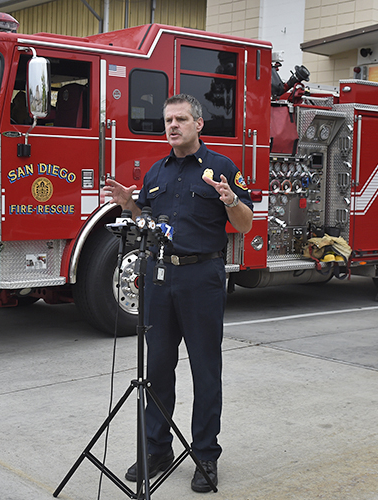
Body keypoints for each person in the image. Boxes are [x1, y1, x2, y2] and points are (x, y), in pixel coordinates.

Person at [104, 94, 253, 493]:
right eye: (168, 119)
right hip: (159, 279)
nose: (173, 125)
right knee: (157, 371)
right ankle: (157, 449)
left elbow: (245, 224)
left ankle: (205, 454)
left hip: (200, 278)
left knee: (205, 371)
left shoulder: (221, 169)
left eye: (181, 119)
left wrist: (231, 199)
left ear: (198, 124)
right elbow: (148, 221)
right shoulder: (157, 172)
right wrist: (130, 206)